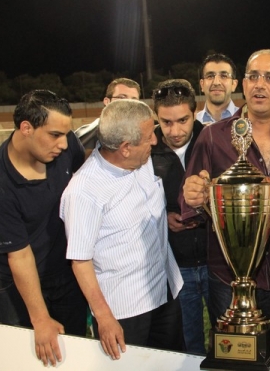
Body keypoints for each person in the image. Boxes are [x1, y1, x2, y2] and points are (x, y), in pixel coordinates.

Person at [181, 49, 270, 364]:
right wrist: (193, 194)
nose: (260, 84)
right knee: (234, 363)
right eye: (253, 76)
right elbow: (190, 203)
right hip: (227, 280)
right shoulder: (213, 137)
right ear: (244, 84)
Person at [60, 99, 184, 360]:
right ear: (125, 148)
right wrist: (104, 317)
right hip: (125, 311)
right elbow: (80, 261)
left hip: (165, 291)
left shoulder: (141, 160)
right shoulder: (83, 192)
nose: (155, 141)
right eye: (149, 137)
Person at [0, 89, 87, 367]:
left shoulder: (68, 147)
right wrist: (40, 318)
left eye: (66, 134)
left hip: (63, 271)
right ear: (26, 128)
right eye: (55, 135)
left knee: (74, 349)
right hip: (13, 280)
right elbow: (19, 255)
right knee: (21, 357)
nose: (64, 144)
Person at [150, 79, 211, 355]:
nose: (175, 131)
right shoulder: (146, 149)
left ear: (195, 112)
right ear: (156, 117)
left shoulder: (212, 140)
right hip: (175, 266)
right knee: (187, 345)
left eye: (183, 120)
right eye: (166, 122)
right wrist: (163, 216)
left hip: (215, 262)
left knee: (228, 338)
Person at [75, 78, 140, 155]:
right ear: (107, 101)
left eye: (134, 100)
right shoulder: (83, 136)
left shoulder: (146, 135)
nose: (129, 104)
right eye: (122, 98)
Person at [196, 53, 239, 124]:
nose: (216, 82)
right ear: (202, 84)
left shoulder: (247, 120)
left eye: (224, 76)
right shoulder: (192, 124)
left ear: (234, 84)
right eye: (210, 76)